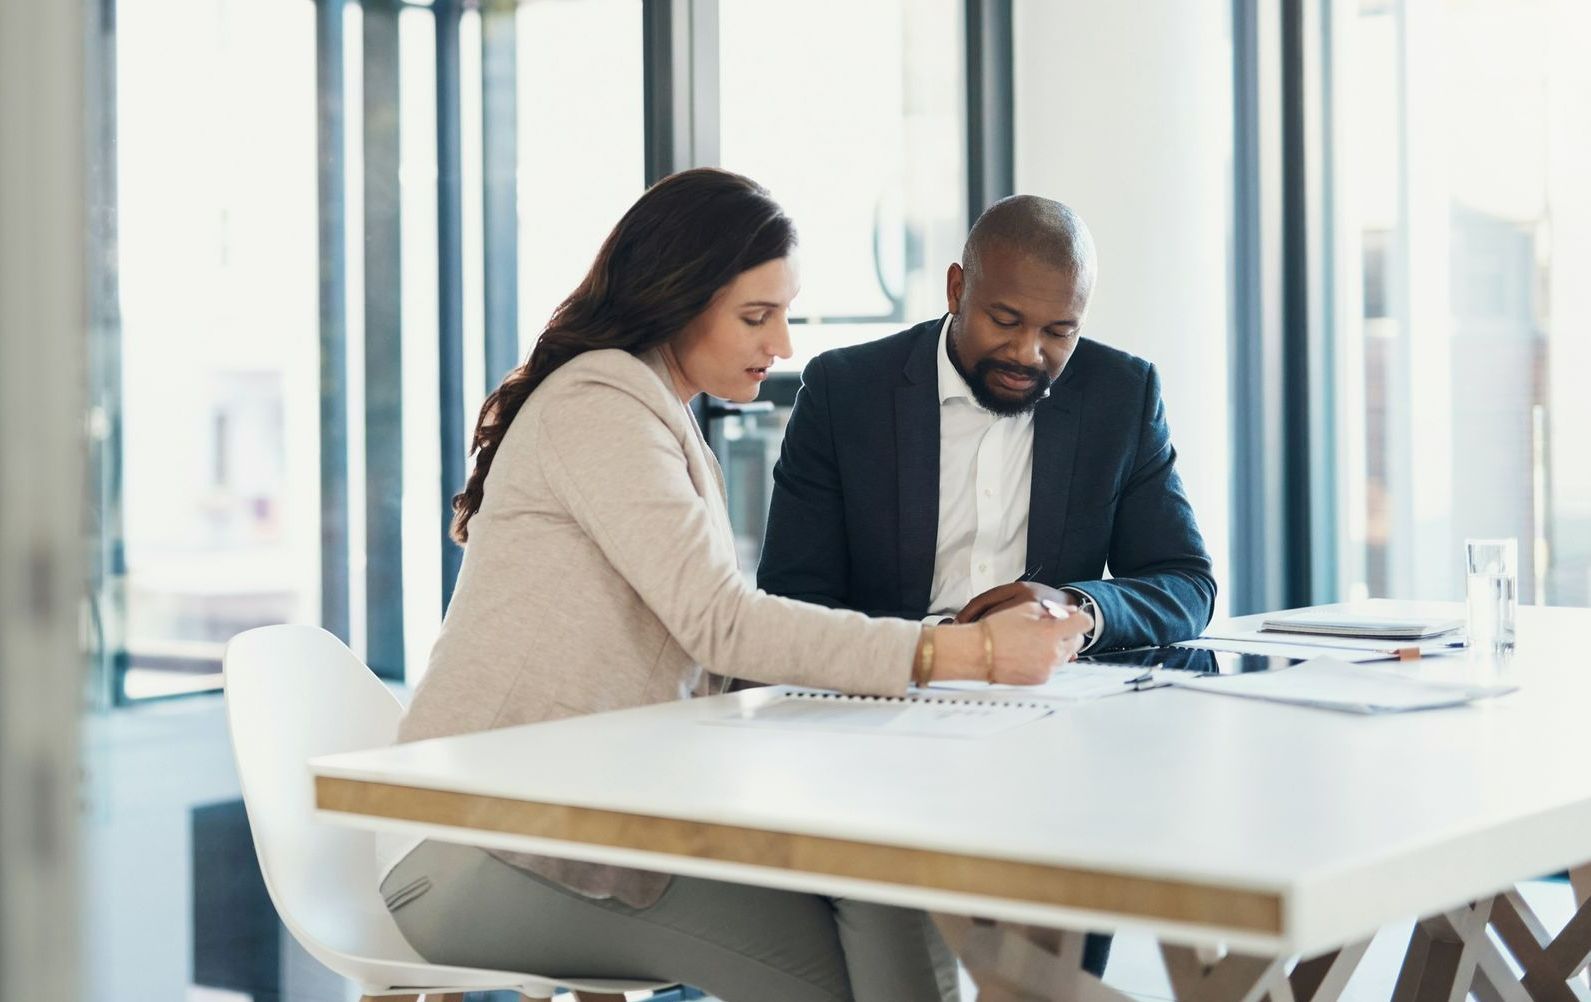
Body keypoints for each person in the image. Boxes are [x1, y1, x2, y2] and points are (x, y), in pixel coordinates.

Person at [376, 168, 1092, 1002]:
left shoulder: (651, 412)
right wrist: (961, 652)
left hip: (570, 822)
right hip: (480, 839)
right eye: (757, 316)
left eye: (784, 314)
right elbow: (721, 623)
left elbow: (710, 644)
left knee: (878, 880)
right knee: (845, 965)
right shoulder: (600, 406)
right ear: (677, 299)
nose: (782, 345)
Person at [757, 194, 1218, 978]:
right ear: (954, 289)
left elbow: (1183, 581)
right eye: (1005, 320)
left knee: (1049, 972)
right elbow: (793, 594)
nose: (1030, 351)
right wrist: (932, 654)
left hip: (1056, 741)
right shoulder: (846, 391)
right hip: (883, 724)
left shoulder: (1120, 394)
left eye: (1058, 331)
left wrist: (1075, 606)